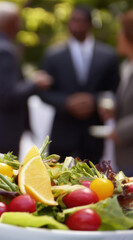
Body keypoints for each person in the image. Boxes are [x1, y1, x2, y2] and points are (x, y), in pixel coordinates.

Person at [41, 6, 119, 163]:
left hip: (93, 134)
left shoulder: (108, 55)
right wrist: (66, 102)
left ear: (90, 24)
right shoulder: (53, 55)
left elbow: (115, 89)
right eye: (73, 20)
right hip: (63, 131)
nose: (76, 25)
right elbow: (43, 92)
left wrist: (94, 100)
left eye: (80, 21)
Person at [0, 2, 51, 155]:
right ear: (9, 22)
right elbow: (7, 95)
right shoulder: (5, 51)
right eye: (17, 20)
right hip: (3, 132)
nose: (20, 25)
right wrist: (34, 83)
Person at [99, 10, 133, 175]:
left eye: (121, 30)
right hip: (125, 156)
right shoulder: (127, 65)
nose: (118, 35)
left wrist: (120, 131)